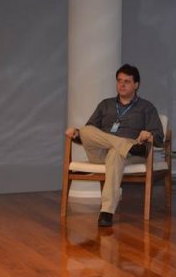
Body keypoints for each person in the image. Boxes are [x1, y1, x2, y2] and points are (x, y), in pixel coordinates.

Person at [65, 64, 164, 227]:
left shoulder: (146, 107)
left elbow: (159, 137)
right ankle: (124, 145)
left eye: (127, 81)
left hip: (129, 155)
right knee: (86, 130)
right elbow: (88, 135)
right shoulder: (105, 104)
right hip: (102, 151)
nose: (122, 85)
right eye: (119, 81)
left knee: (116, 153)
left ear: (136, 85)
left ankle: (106, 211)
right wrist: (76, 134)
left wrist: (149, 134)